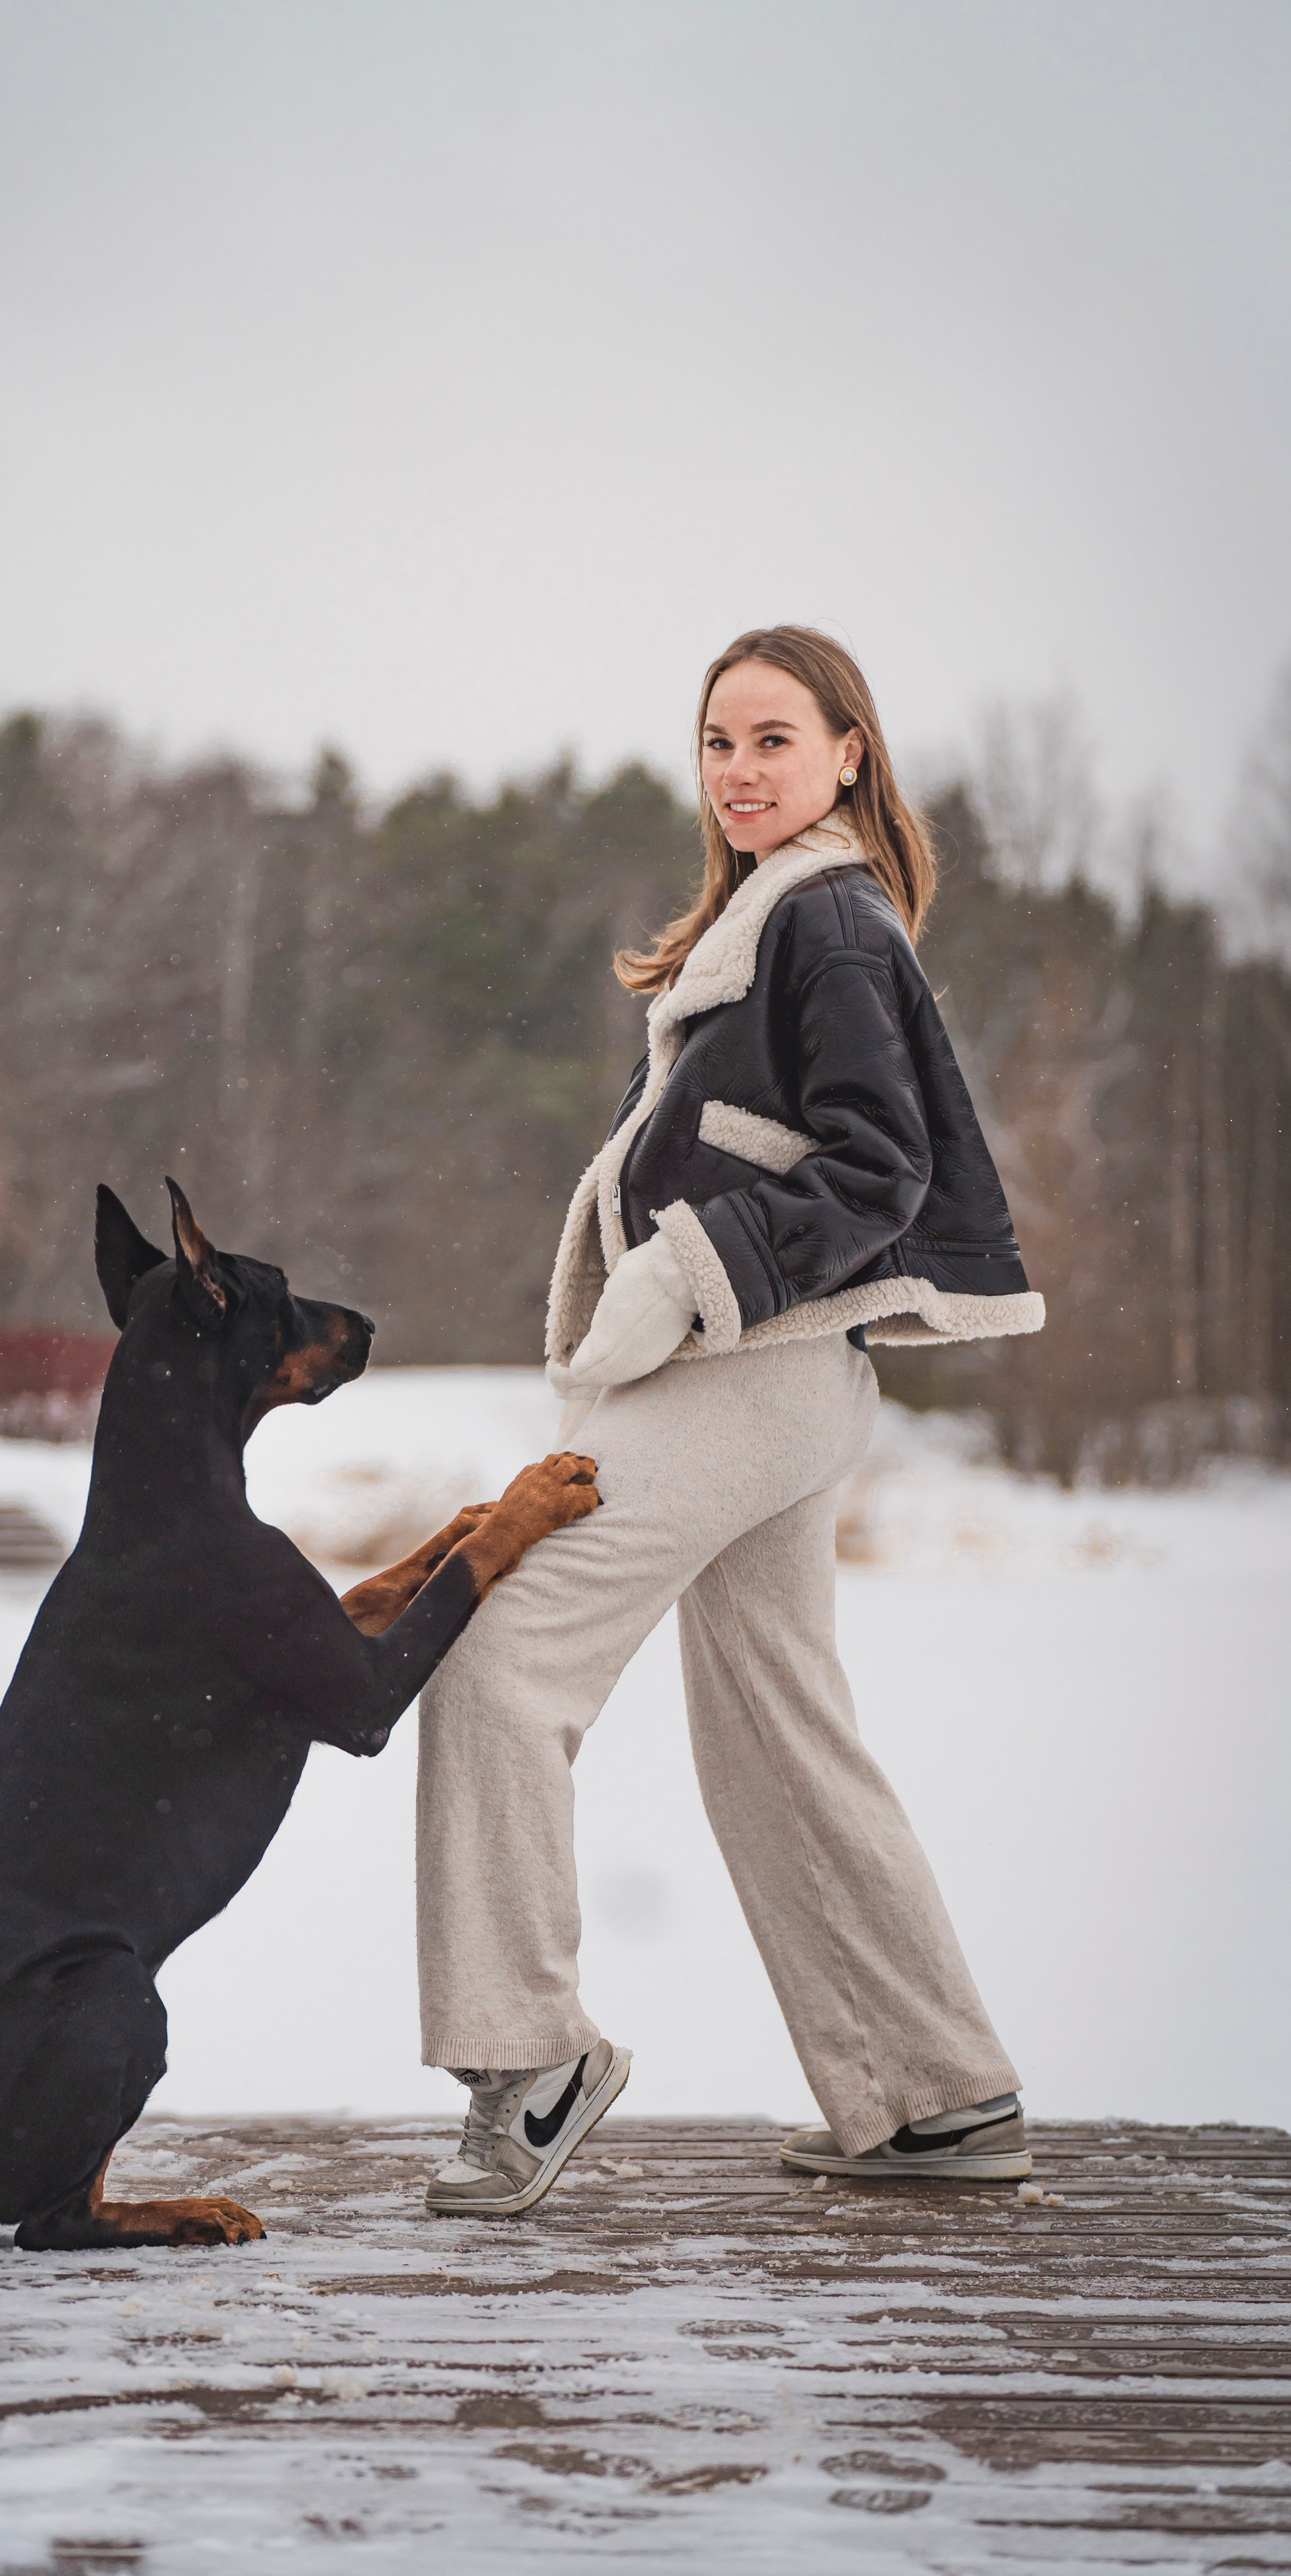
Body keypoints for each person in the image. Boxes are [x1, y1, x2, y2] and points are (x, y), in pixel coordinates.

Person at [415, 625, 1045, 2215]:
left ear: (849, 755)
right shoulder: (783, 922)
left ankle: (529, 2055)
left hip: (744, 1373)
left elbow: (875, 1165)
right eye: (716, 744)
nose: (741, 770)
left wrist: (692, 1273)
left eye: (774, 739)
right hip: (778, 1381)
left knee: (493, 1650)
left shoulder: (824, 920)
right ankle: (932, 2095)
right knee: (778, 1738)